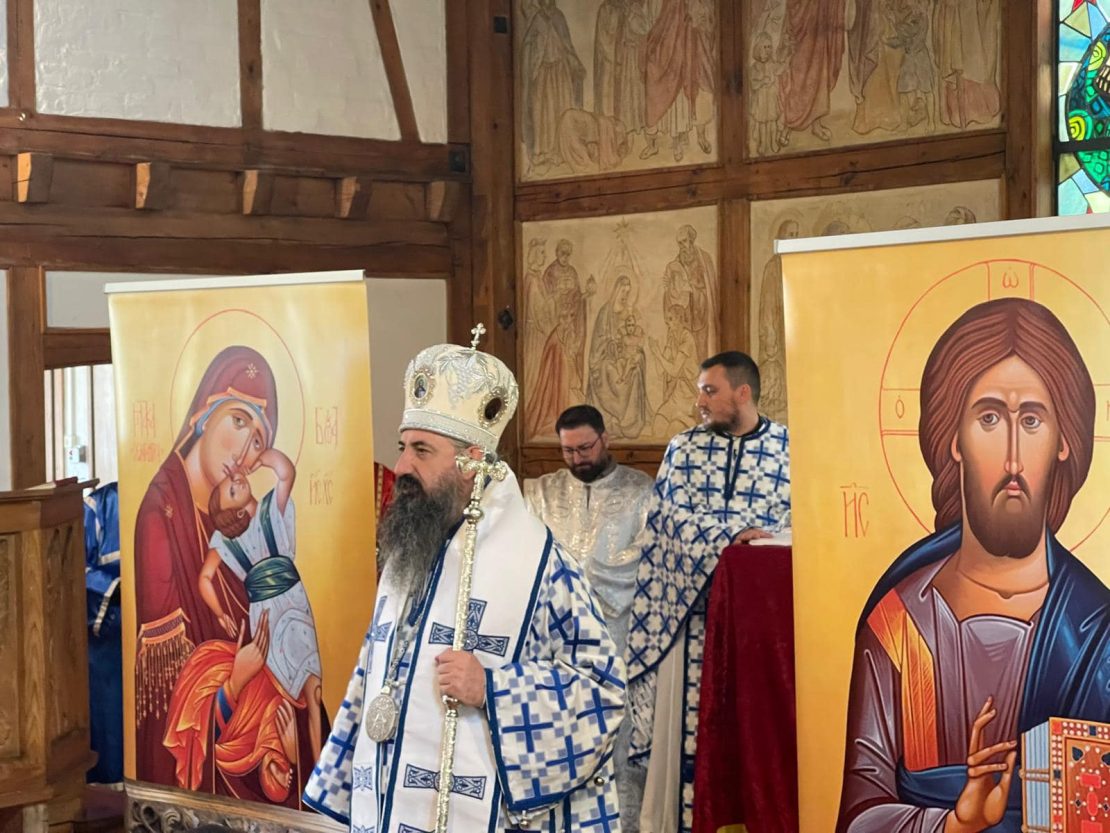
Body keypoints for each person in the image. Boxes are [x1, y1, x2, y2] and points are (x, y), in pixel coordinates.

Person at [304, 333, 626, 831]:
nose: (402, 466)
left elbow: (602, 693)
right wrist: (339, 783)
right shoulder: (410, 550)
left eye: (422, 451)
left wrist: (493, 689)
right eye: (403, 447)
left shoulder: (541, 567)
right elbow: (372, 673)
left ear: (471, 461)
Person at [837, 298, 1110, 832]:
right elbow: (858, 817)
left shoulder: (1096, 632)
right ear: (953, 439)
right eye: (989, 418)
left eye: (1031, 420)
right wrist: (954, 825)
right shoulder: (900, 626)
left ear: (1063, 442)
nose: (1012, 458)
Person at [133, 345, 321, 804]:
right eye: (238, 421)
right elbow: (167, 713)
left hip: (268, 743)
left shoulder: (250, 522)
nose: (242, 451)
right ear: (203, 413)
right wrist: (235, 684)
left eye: (258, 440)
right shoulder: (162, 517)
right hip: (210, 778)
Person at [625, 350, 791, 833]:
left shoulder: (788, 449)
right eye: (700, 391)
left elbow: (794, 522)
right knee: (692, 736)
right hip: (690, 614)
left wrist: (751, 545)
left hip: (758, 628)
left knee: (754, 730)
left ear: (743, 392)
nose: (699, 401)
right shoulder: (683, 449)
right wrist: (731, 537)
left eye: (709, 391)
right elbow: (667, 518)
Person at [524, 404, 653, 832]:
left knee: (616, 737)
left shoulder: (642, 491)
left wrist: (577, 577)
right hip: (554, 642)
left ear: (604, 439)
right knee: (558, 734)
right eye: (568, 450)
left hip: (618, 636)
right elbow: (525, 552)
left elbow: (648, 556)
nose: (578, 458)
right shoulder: (541, 493)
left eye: (585, 448)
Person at [199, 447, 324, 760]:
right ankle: (292, 758)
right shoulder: (225, 540)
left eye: (233, 479)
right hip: (267, 615)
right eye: (231, 490)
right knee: (280, 693)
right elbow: (205, 578)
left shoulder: (271, 509)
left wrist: (257, 459)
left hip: (295, 602)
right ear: (232, 512)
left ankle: (320, 770)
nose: (237, 481)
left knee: (314, 691)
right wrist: (220, 614)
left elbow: (286, 472)